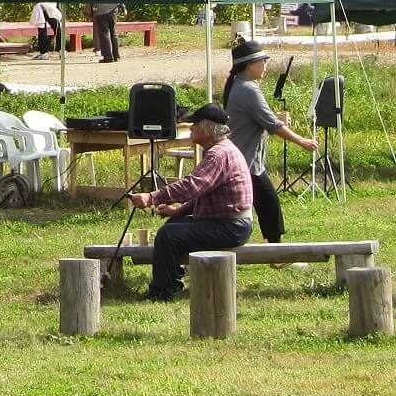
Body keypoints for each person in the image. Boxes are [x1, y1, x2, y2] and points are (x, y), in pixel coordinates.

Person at [130, 104, 254, 303]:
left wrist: (152, 197)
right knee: (173, 227)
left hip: (231, 226)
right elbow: (202, 194)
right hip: (229, 223)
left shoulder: (218, 154)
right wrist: (178, 212)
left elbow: (192, 187)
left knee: (168, 236)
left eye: (194, 125)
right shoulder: (221, 150)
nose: (191, 128)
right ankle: (171, 282)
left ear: (208, 129)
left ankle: (163, 292)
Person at [220, 38, 317, 244]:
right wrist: (303, 141)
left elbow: (264, 120)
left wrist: (275, 120)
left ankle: (275, 250)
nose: (265, 66)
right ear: (249, 65)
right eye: (262, 61)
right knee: (269, 206)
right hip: (246, 164)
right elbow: (274, 126)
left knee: (266, 206)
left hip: (244, 162)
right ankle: (277, 254)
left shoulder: (241, 85)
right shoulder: (248, 89)